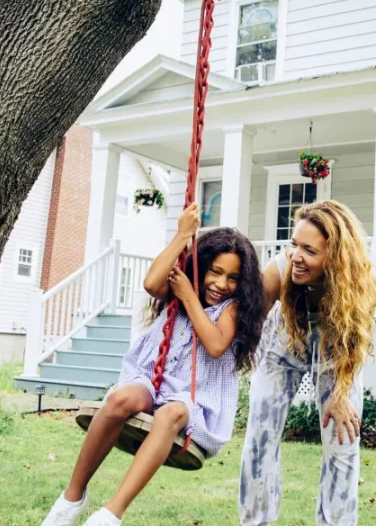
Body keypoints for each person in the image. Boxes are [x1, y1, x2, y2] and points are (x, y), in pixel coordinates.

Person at [43, 203, 265, 526]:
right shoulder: (180, 289)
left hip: (195, 400)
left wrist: (189, 296)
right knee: (119, 399)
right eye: (215, 271)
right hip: (154, 380)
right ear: (201, 266)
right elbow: (151, 283)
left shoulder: (231, 308)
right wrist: (182, 235)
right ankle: (72, 497)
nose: (221, 283)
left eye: (232, 277)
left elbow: (216, 345)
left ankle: (112, 513)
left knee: (170, 414)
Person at [239, 200, 376, 526]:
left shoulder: (364, 278)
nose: (296, 256)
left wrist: (341, 394)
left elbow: (355, 340)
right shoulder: (279, 270)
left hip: (335, 352)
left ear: (336, 255)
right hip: (283, 341)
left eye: (309, 250)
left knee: (344, 440)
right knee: (260, 436)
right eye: (294, 245)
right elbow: (244, 324)